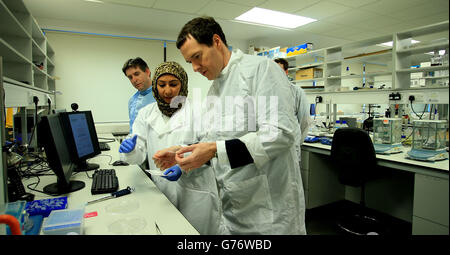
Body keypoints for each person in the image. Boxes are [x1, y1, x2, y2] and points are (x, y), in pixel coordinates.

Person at [154, 16, 306, 234]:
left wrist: (214, 149)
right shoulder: (216, 89)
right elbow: (214, 143)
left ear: (216, 42)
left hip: (268, 212)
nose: (195, 68)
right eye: (190, 62)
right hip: (234, 210)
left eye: (197, 57)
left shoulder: (260, 70)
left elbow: (280, 134)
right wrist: (183, 153)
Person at [118, 61, 223, 235]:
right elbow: (139, 151)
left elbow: (211, 148)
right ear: (155, 85)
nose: (167, 91)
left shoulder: (200, 110)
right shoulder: (146, 113)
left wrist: (183, 166)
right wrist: (130, 150)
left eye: (173, 84)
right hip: (161, 188)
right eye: (162, 85)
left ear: (183, 84)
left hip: (196, 189)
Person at [274, 58, 312, 148]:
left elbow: (304, 121)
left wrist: (297, 143)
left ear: (286, 72)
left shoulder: (296, 92)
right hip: (270, 145)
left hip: (290, 145)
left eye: (279, 70)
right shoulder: (266, 91)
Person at [122, 57, 156, 133]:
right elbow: (133, 131)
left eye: (136, 74)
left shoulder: (164, 95)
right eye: (130, 77)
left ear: (147, 72)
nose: (134, 80)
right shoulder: (132, 101)